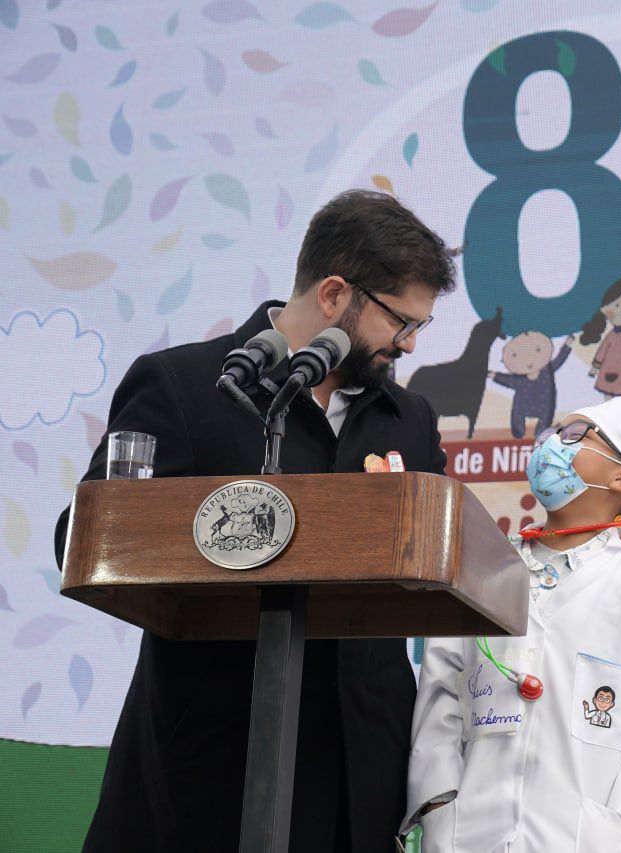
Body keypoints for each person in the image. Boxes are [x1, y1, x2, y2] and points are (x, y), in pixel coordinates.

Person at [53, 189, 457, 853]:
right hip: (215, 751)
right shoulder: (186, 386)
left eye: (419, 327)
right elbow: (85, 539)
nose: (408, 344)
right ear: (333, 295)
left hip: (360, 764)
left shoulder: (407, 419)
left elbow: (442, 561)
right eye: (399, 322)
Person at [404, 396, 621, 853]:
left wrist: (619, 830)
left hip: (582, 837)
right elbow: (441, 699)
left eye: (574, 435)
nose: (550, 445)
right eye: (552, 433)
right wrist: (439, 808)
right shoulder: (483, 571)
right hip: (468, 834)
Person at [488, 330, 573, 438]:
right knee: (517, 415)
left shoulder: (547, 372)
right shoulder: (520, 379)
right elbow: (508, 380)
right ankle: (518, 427)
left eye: (537, 350)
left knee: (545, 420)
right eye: (515, 355)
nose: (529, 361)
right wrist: (494, 376)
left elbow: (558, 361)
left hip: (543, 405)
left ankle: (541, 432)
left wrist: (567, 345)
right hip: (522, 405)